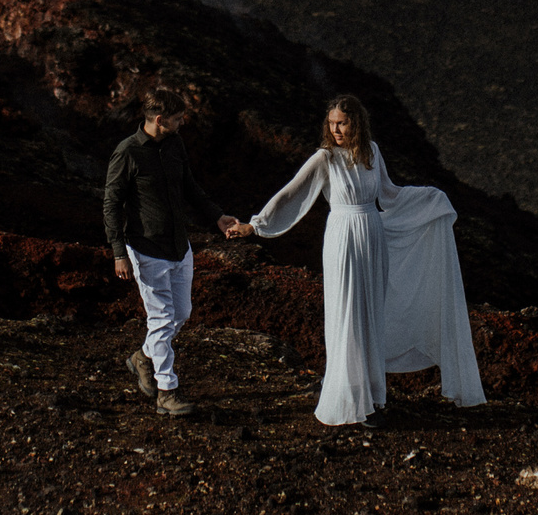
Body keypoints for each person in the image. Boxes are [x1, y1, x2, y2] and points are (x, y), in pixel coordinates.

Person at [241, 94, 484, 427]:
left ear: (356, 123)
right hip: (343, 239)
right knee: (348, 315)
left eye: (343, 123)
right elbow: (291, 193)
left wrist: (430, 198)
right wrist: (255, 224)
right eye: (332, 123)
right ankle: (348, 399)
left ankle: (370, 396)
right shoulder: (324, 158)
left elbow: (389, 194)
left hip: (372, 236)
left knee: (370, 315)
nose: (336, 129)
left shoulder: (372, 152)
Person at [103, 91, 242, 417]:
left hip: (180, 247)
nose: (183, 123)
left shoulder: (175, 145)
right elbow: (111, 204)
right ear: (160, 120)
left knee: (181, 314)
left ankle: (143, 357)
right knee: (162, 320)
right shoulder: (128, 153)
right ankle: (167, 391)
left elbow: (189, 186)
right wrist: (117, 252)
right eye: (178, 118)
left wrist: (216, 216)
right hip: (147, 249)